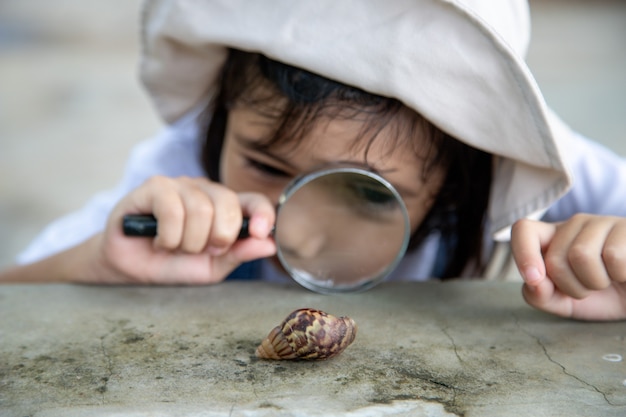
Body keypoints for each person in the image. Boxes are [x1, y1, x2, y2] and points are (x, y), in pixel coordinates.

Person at [1, 0, 625, 321]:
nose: (305, 227)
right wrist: (101, 261)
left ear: (467, 175)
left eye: (367, 193)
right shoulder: (182, 170)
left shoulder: (527, 169)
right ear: (218, 125)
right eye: (267, 168)